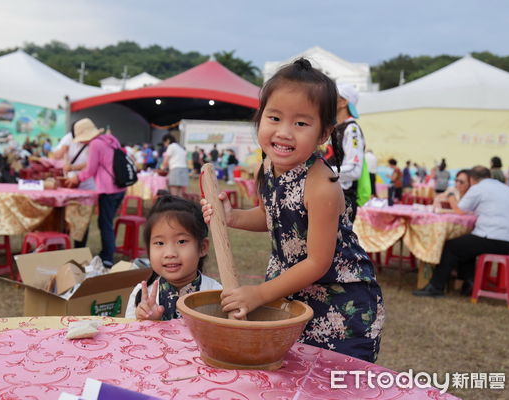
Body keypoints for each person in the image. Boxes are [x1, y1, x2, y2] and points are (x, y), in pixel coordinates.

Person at [201, 59, 384, 362]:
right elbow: (271, 216)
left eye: (300, 123)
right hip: (291, 294)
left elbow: (317, 263)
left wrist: (259, 293)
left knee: (330, 386)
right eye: (274, 118)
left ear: (324, 133)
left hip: (341, 306)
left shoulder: (322, 185)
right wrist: (232, 216)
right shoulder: (268, 166)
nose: (284, 132)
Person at [414, 166, 509, 297]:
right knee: (466, 246)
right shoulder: (506, 188)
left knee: (451, 247)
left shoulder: (478, 188)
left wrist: (450, 197)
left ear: (471, 179)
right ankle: (469, 284)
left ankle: (436, 286)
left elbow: (460, 210)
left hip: (492, 237)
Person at [125, 195, 222, 320]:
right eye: (159, 243)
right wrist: (147, 321)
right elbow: (129, 335)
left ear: (202, 247)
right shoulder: (141, 295)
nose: (170, 253)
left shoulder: (216, 294)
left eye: (181, 241)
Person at [65, 118, 126, 267]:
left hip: (108, 189)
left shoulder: (95, 144)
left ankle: (107, 257)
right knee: (107, 222)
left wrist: (76, 179)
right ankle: (107, 252)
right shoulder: (110, 139)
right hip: (120, 187)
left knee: (104, 223)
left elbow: (90, 169)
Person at [333, 84, 365, 222]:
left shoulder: (351, 130)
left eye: (332, 95)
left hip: (343, 200)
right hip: (329, 195)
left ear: (343, 102)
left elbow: (354, 169)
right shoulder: (333, 128)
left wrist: (321, 172)